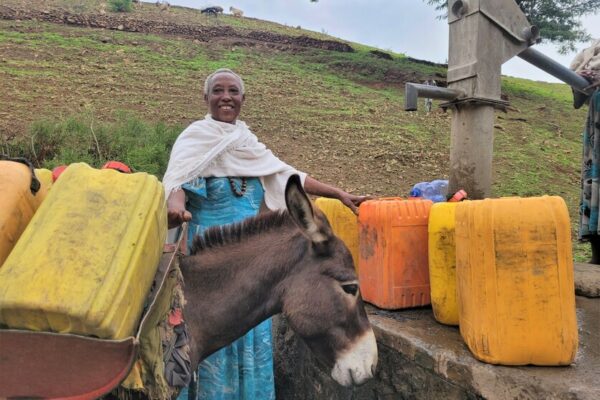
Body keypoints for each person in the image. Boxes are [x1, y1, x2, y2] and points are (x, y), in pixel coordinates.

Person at [162, 68, 369, 400]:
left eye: (233, 91)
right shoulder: (194, 138)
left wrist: (338, 193)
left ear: (244, 100)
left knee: (250, 330)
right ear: (205, 98)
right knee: (207, 334)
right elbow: (177, 182)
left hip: (254, 267)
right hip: (213, 265)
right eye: (217, 91)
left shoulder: (248, 144)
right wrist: (176, 206)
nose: (225, 97)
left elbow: (289, 177)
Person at [571, 40, 600, 264]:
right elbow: (578, 99)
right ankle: (597, 255)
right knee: (594, 182)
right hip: (596, 128)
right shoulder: (592, 54)